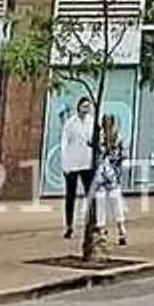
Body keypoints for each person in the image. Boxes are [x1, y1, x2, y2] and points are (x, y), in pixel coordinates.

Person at [88, 105, 131, 249]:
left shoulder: (117, 139)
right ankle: (106, 230)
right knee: (105, 201)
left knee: (113, 201)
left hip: (110, 174)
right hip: (105, 174)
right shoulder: (101, 139)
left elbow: (123, 156)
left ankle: (118, 230)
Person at [57, 94, 97, 238]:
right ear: (78, 107)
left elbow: (96, 140)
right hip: (72, 163)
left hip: (87, 162)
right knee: (70, 195)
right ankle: (69, 225)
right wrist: (65, 163)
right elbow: (64, 143)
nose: (86, 109)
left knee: (90, 194)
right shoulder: (70, 123)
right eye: (84, 106)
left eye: (89, 107)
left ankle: (93, 223)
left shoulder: (92, 122)